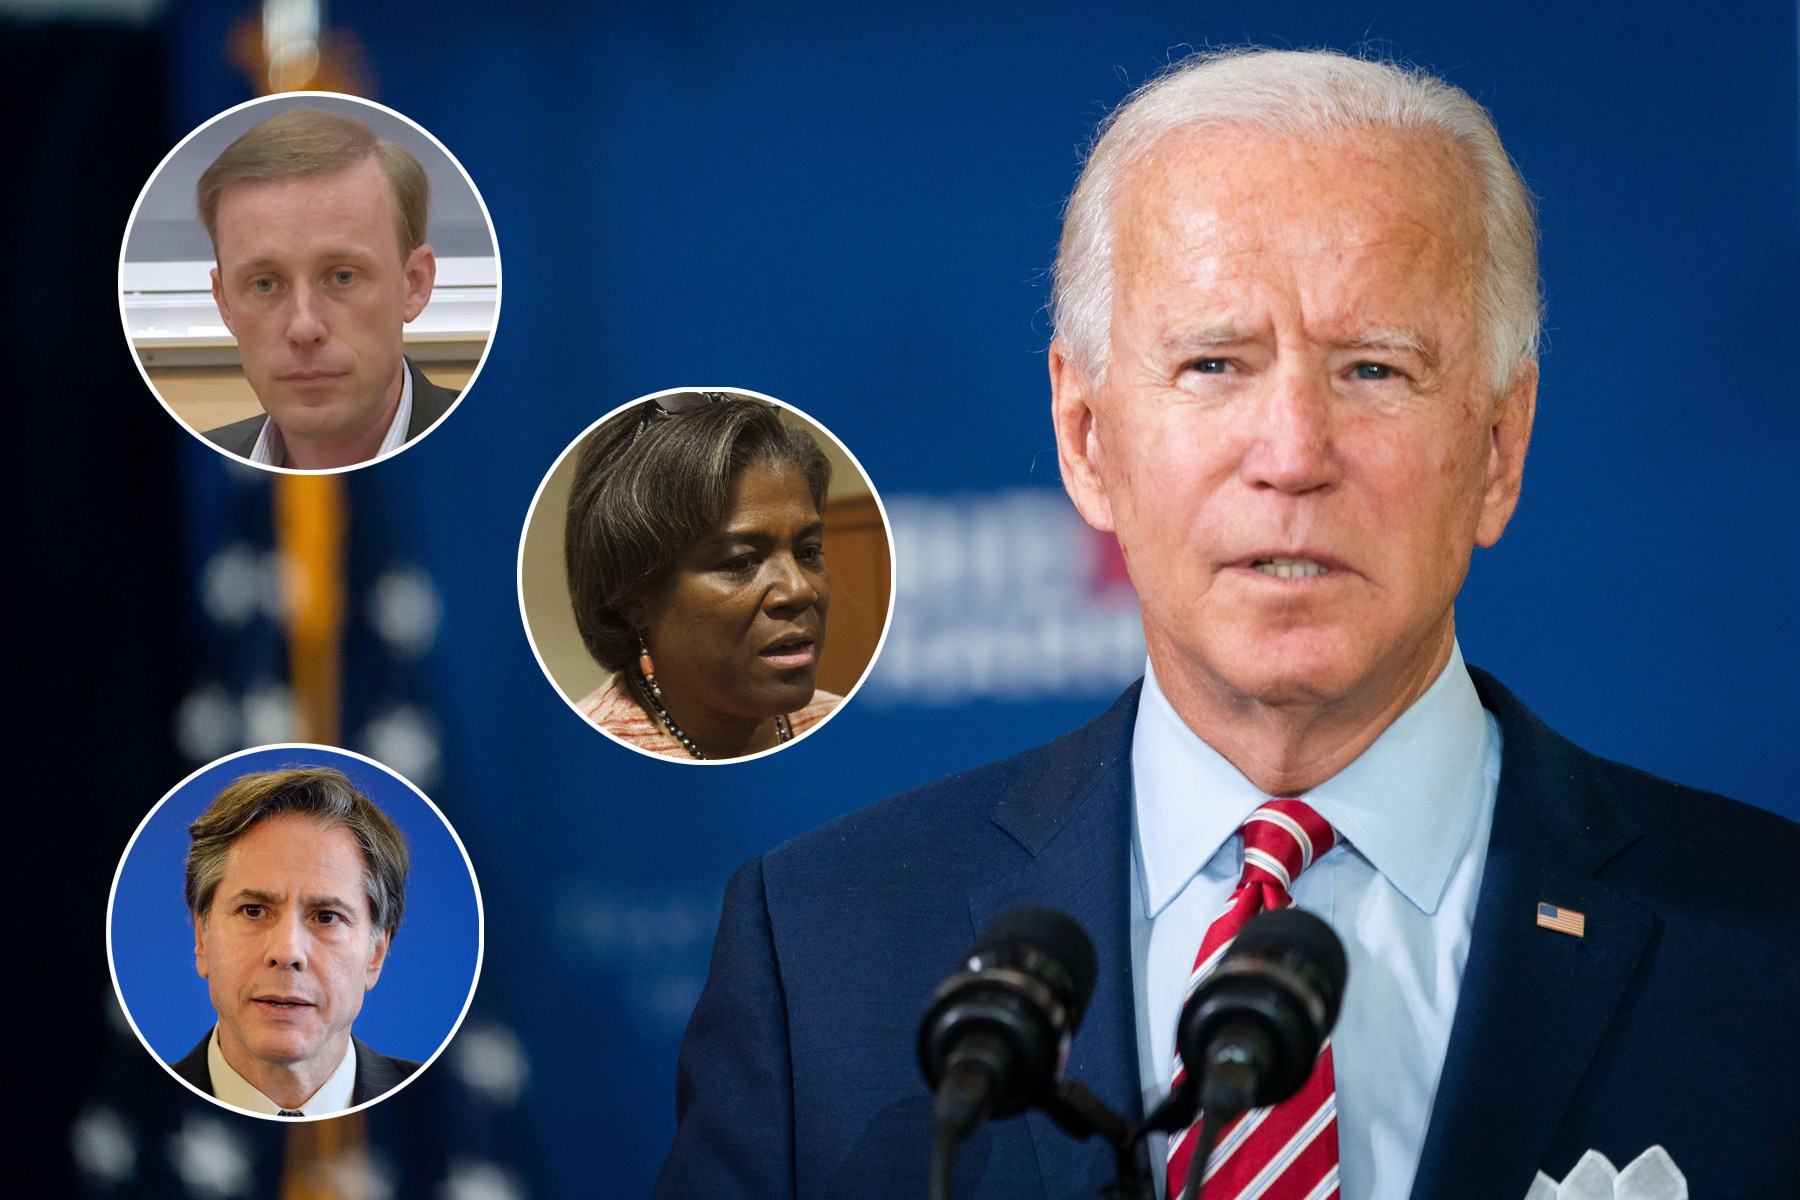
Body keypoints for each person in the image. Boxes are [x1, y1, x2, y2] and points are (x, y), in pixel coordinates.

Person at [654, 48, 1800, 1200]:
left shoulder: (1769, 943)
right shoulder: (820, 951)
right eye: (1215, 363)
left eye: (1374, 369)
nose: (1294, 454)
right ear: (1088, 438)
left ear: (1498, 448)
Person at [564, 391, 840, 760]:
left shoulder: (845, 726)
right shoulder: (574, 764)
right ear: (631, 595)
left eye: (808, 553)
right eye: (741, 562)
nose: (800, 589)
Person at [196, 108, 461, 469]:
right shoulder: (190, 486)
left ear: (414, 284)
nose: (304, 329)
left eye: (342, 277)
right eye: (265, 284)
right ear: (224, 302)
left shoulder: (507, 462)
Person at [169, 767, 421, 1116]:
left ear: (376, 954)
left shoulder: (446, 1120)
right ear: (202, 937)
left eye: (327, 917)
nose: (287, 952)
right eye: (254, 910)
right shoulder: (131, 1117)